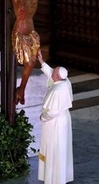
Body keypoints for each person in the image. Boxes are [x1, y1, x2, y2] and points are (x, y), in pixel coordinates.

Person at [36, 49, 74, 184]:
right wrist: (41, 62)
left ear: (57, 77)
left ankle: (54, 178)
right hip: (63, 120)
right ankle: (60, 176)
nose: (52, 72)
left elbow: (52, 112)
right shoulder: (65, 81)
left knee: (54, 149)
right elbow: (52, 73)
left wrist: (42, 117)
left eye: (54, 72)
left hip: (55, 123)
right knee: (61, 149)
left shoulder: (58, 91)